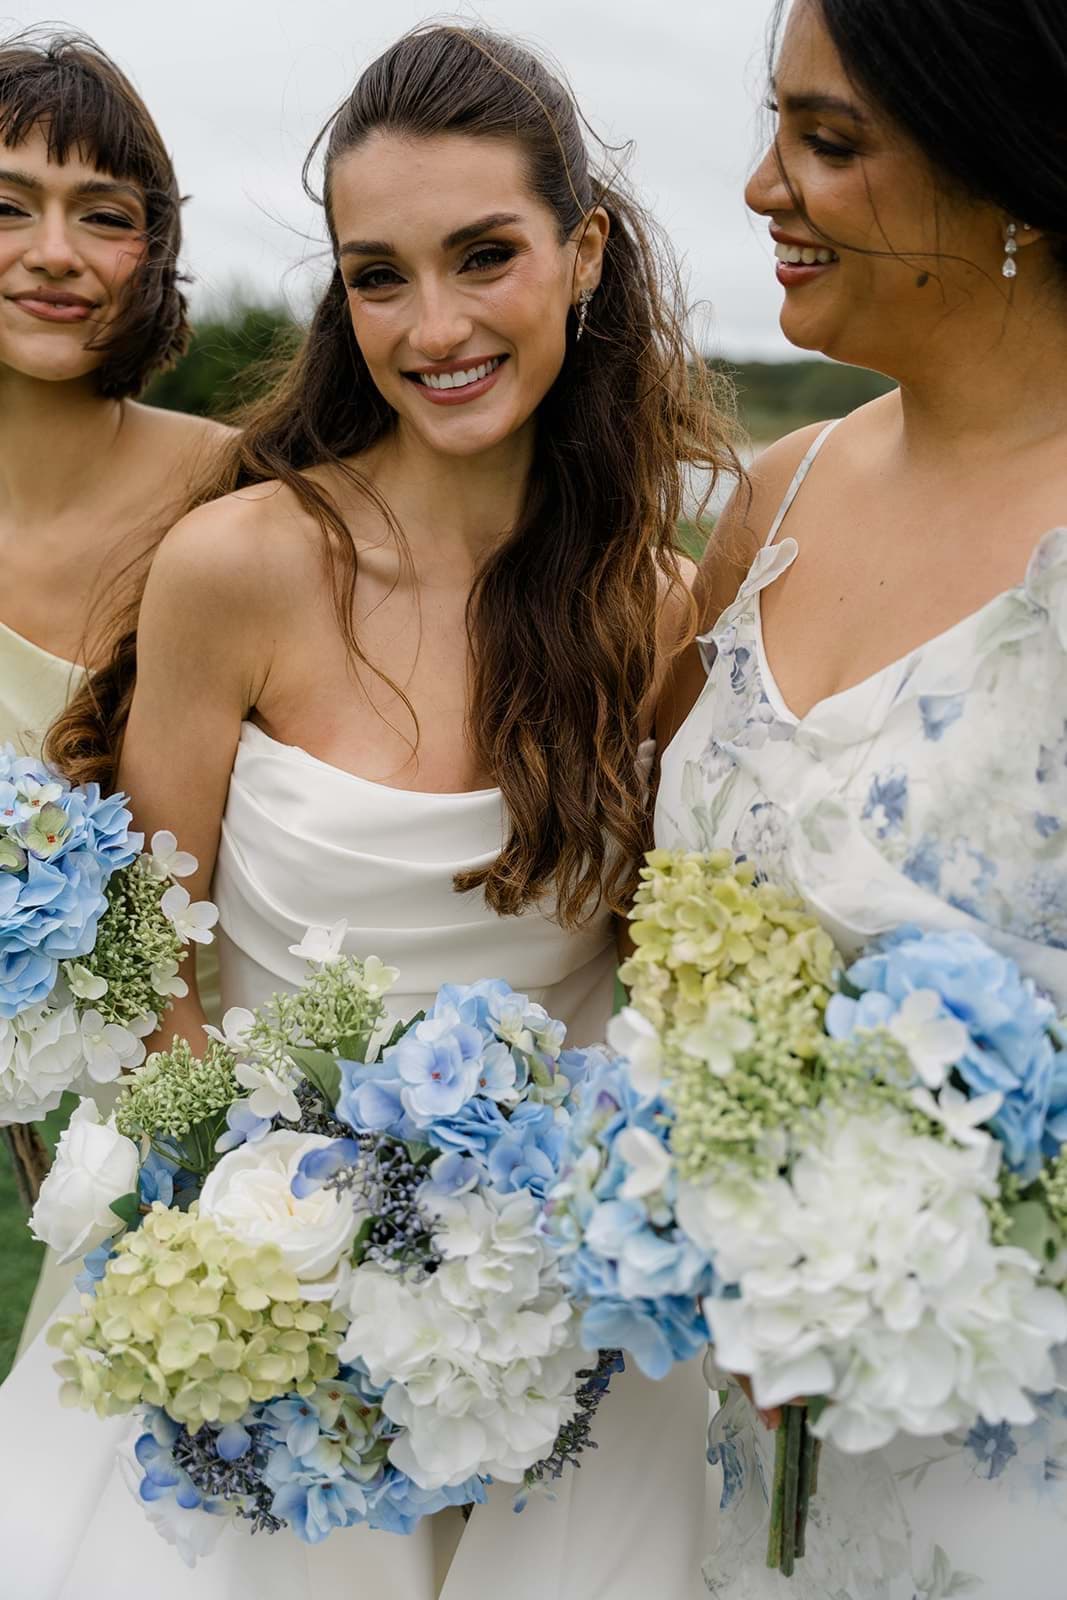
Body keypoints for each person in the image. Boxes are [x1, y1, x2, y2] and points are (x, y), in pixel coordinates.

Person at [1, 25, 734, 1599]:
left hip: (565, 1306)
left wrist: (502, 1280)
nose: (436, 324)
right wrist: (273, 1260)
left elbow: (651, 970)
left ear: (585, 251)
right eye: (379, 275)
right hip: (247, 1257)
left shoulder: (661, 613)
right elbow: (147, 963)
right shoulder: (240, 566)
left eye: (486, 257)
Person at [656, 0, 1067, 1594]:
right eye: (777, 130)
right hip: (733, 1453)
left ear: (1016, 171)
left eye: (828, 143)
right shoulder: (780, 493)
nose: (764, 188)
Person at [0, 31, 229, 1355]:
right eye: (8, 206)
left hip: (202, 1076)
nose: (53, 254)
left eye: (105, 215)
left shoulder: (241, 489)